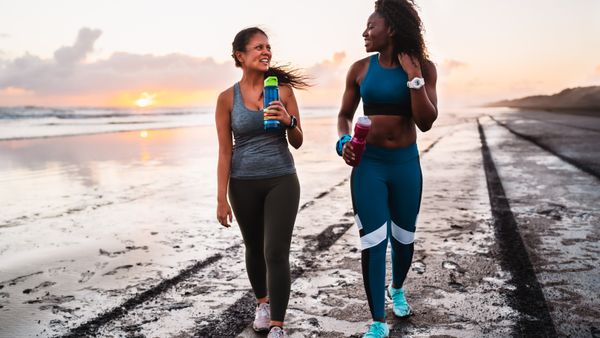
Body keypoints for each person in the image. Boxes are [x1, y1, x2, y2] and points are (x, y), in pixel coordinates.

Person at [336, 0, 438, 337]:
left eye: (371, 26)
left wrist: (414, 78)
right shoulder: (359, 70)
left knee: (404, 240)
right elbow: (343, 117)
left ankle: (397, 288)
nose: (364, 32)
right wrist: (343, 142)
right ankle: (378, 322)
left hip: (406, 165)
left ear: (390, 29)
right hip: (369, 166)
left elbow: (425, 121)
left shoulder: (424, 67)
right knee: (373, 241)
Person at [215, 27, 309, 338]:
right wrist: (220, 198)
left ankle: (278, 325)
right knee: (254, 247)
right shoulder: (226, 99)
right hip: (242, 183)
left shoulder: (282, 92)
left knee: (276, 251)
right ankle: (263, 304)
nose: (266, 51)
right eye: (258, 47)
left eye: (268, 47)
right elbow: (225, 151)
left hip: (281, 179)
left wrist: (288, 120)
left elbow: (297, 141)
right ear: (240, 56)